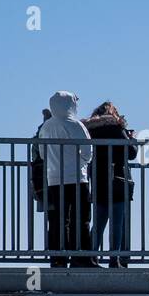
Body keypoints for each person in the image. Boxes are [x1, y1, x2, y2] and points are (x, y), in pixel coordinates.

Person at [36, 91, 96, 267]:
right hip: (77, 178)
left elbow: (42, 154)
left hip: (54, 179)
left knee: (57, 221)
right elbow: (88, 152)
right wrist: (80, 163)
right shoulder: (75, 124)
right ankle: (82, 258)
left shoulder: (46, 127)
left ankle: (58, 259)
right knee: (81, 219)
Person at [84, 101, 138, 268]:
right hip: (117, 180)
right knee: (117, 222)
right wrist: (131, 139)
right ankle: (114, 259)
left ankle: (91, 257)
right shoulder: (116, 127)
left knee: (99, 222)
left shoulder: (90, 130)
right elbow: (131, 153)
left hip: (98, 179)